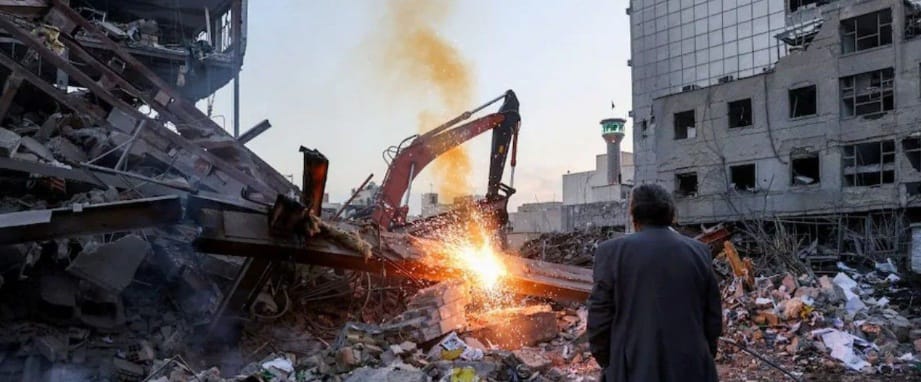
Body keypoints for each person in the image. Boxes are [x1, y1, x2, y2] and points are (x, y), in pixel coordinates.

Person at [587, 184, 722, 382]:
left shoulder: (611, 252)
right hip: (692, 367)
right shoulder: (699, 252)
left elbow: (599, 320)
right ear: (671, 213)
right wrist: (702, 356)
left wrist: (612, 363)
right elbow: (713, 318)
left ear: (633, 214)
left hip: (632, 369)